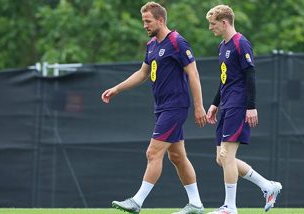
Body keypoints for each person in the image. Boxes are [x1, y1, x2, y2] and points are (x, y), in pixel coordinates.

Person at [101, 2, 207, 214]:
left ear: (160, 20)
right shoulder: (152, 45)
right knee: (176, 156)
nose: (144, 25)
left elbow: (193, 74)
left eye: (148, 21)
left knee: (152, 153)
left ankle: (137, 202)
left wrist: (199, 107)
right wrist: (117, 88)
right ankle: (196, 204)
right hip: (162, 107)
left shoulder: (177, 42)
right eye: (143, 21)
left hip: (175, 106)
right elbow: (142, 73)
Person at [205, 5, 282, 214]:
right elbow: (225, 81)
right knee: (221, 158)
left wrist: (251, 106)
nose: (210, 28)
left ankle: (230, 207)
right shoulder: (222, 46)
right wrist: (214, 103)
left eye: (213, 24)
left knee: (227, 155)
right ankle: (267, 186)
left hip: (239, 105)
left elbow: (250, 75)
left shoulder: (241, 43)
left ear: (224, 22)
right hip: (227, 105)